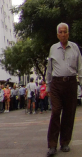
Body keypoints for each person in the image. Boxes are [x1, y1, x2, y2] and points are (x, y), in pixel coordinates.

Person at [46, 23, 82, 156]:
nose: (62, 34)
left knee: (69, 113)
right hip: (56, 84)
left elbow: (80, 67)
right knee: (55, 112)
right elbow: (49, 69)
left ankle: (65, 142)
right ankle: (52, 145)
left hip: (71, 83)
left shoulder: (75, 48)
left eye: (65, 32)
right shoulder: (53, 48)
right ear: (57, 35)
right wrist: (48, 86)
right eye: (60, 32)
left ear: (68, 33)